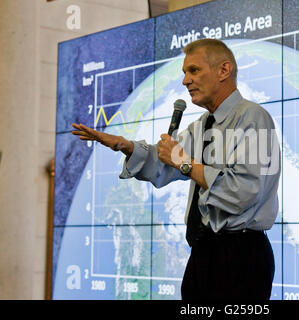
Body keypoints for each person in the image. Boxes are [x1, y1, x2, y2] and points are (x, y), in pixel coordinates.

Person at [72, 39, 281, 301]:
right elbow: (165, 163)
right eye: (184, 73)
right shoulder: (204, 125)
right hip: (203, 253)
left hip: (240, 256)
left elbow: (243, 192)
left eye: (193, 70)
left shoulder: (254, 118)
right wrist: (125, 146)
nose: (185, 81)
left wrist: (183, 162)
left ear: (223, 70)